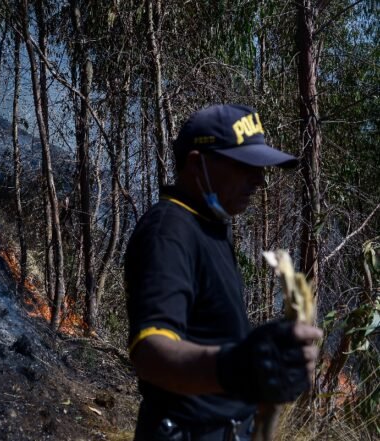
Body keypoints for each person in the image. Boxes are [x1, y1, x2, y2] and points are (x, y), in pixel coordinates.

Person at [125, 104, 322, 441]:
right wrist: (236, 367)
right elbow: (150, 352)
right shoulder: (169, 232)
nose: (260, 180)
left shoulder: (210, 226)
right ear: (196, 163)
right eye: (245, 165)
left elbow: (211, 332)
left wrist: (266, 362)